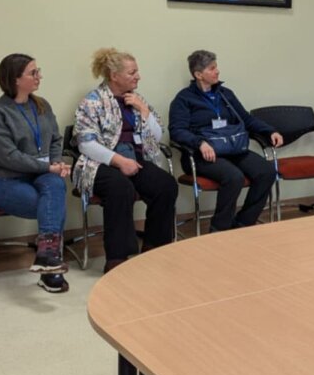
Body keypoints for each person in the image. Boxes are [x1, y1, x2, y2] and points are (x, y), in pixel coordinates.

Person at [73, 48, 177, 272]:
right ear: (114, 76)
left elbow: (156, 137)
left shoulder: (137, 99)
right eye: (132, 72)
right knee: (121, 188)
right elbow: (86, 144)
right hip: (100, 163)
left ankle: (154, 246)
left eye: (137, 71)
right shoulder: (93, 101)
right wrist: (119, 161)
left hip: (135, 158)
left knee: (166, 185)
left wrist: (144, 111)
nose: (138, 76)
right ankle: (117, 258)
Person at [0, 54, 71, 293]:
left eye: (38, 71)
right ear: (15, 79)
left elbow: (56, 139)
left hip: (39, 174)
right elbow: (8, 157)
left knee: (56, 187)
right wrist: (48, 167)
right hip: (3, 180)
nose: (39, 76)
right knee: (51, 204)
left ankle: (47, 260)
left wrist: (56, 162)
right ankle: (50, 264)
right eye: (33, 73)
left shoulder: (42, 105)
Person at [168, 50, 280, 231]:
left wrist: (270, 131)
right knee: (234, 177)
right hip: (201, 155)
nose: (217, 71)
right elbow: (177, 131)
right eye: (212, 68)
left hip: (232, 149)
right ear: (198, 75)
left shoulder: (225, 94)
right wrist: (200, 143)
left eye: (216, 67)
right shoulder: (184, 99)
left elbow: (246, 119)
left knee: (266, 172)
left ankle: (243, 223)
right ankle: (219, 229)